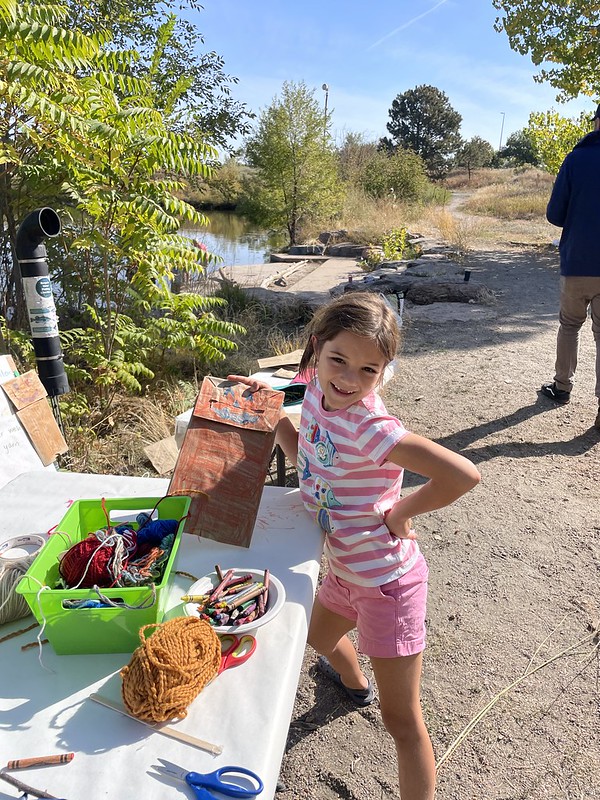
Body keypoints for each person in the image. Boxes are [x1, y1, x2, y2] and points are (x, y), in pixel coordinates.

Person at [229, 291, 480, 800]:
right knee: (315, 639)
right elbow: (310, 460)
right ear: (316, 350)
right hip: (343, 572)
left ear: (384, 372)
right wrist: (273, 412)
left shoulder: (371, 426)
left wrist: (399, 512)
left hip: (386, 583)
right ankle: (354, 682)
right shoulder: (316, 393)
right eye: (338, 360)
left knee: (402, 721)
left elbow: (462, 475)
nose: (347, 379)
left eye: (368, 370)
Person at [541, 103, 600, 429]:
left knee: (570, 325)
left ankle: (562, 386)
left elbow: (555, 215)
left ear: (596, 123)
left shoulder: (576, 159)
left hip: (578, 262)